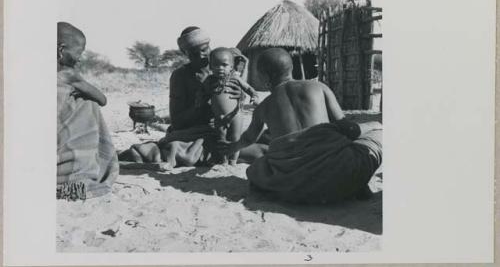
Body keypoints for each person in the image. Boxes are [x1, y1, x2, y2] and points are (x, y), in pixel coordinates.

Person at [220, 48, 382, 204]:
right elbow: (350, 130)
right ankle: (358, 185)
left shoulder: (264, 107)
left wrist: (231, 147)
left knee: (256, 169)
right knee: (377, 137)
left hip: (296, 187)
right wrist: (372, 125)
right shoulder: (318, 88)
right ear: (291, 68)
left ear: (264, 77)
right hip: (340, 176)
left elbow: (248, 138)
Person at [119, 26, 244, 168]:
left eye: (204, 50)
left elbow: (236, 103)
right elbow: (178, 122)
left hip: (224, 131)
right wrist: (200, 104)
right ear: (185, 54)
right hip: (194, 134)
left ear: (210, 45)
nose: (201, 56)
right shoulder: (181, 76)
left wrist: (240, 95)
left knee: (255, 149)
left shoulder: (225, 68)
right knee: (185, 155)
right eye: (193, 54)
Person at [57, 22, 118, 200]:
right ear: (61, 50)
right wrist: (80, 91)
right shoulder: (68, 74)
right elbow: (102, 99)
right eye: (79, 52)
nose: (80, 58)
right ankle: (77, 171)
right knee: (88, 103)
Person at [200, 47, 259, 165]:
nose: (220, 68)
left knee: (235, 139)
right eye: (216, 65)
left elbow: (248, 88)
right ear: (210, 67)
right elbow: (203, 92)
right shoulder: (210, 80)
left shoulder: (235, 78)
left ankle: (233, 161)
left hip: (235, 115)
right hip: (219, 118)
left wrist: (254, 96)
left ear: (231, 67)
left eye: (224, 65)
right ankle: (223, 160)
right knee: (221, 139)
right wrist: (200, 99)